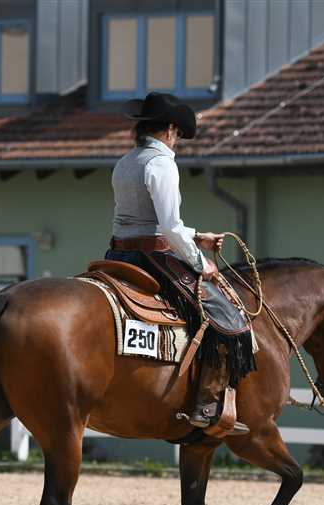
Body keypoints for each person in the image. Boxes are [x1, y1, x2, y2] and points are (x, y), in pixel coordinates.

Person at [106, 92, 253, 436]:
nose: (178, 141)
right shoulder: (161, 164)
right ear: (171, 129)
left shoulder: (125, 162)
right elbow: (169, 228)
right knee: (228, 317)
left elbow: (147, 221)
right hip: (153, 258)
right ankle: (206, 404)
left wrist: (197, 235)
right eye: (179, 134)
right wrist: (202, 263)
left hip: (117, 255)